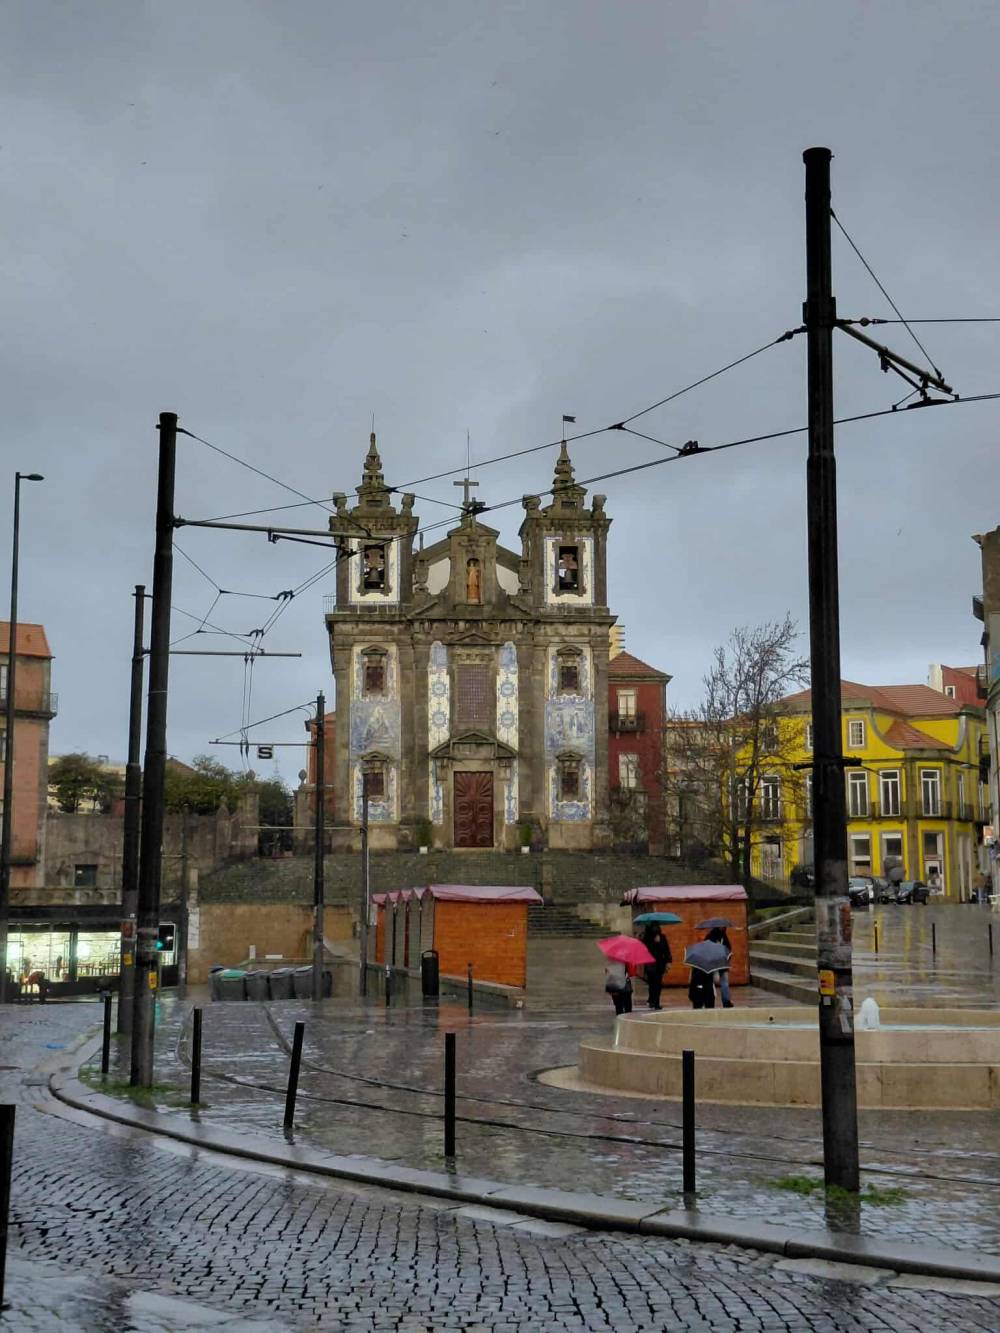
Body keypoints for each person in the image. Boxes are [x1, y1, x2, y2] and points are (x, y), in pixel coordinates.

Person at [641, 924, 671, 1010]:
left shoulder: (662, 937)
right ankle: (653, 1001)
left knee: (658, 983)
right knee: (652, 983)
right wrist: (655, 943)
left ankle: (655, 1002)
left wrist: (668, 961)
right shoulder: (646, 938)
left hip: (660, 964)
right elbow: (645, 950)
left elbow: (666, 950)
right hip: (650, 964)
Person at [707, 926, 734, 1009]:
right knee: (715, 982)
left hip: (720, 963)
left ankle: (725, 1001)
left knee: (724, 982)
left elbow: (728, 949)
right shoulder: (712, 936)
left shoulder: (723, 936)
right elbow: (707, 948)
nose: (723, 928)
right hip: (716, 964)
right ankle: (711, 1001)